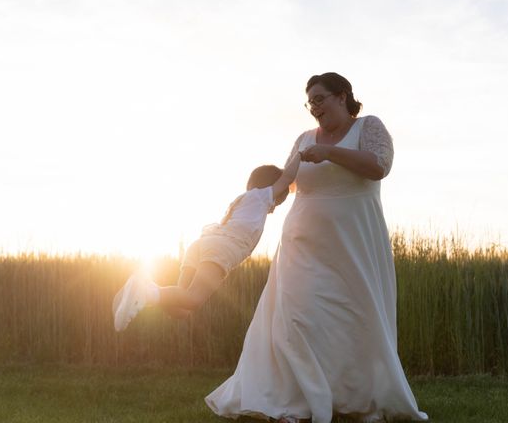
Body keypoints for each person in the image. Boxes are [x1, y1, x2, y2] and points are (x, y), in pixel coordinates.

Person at [206, 73, 428, 423]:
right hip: (301, 246)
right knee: (298, 318)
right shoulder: (304, 139)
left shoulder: (369, 127)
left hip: (353, 242)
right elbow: (283, 184)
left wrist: (329, 153)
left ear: (342, 97)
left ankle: (351, 398)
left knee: (352, 321)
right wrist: (250, 203)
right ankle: (298, 400)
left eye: (320, 99)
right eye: (310, 102)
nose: (314, 108)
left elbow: (378, 167)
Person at [112, 151, 302, 332]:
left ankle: (142, 293)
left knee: (181, 310)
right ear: (272, 191)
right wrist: (300, 155)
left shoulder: (243, 201)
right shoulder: (261, 197)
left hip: (201, 245)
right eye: (278, 201)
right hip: (221, 249)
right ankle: (146, 292)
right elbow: (286, 178)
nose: (274, 207)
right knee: (193, 300)